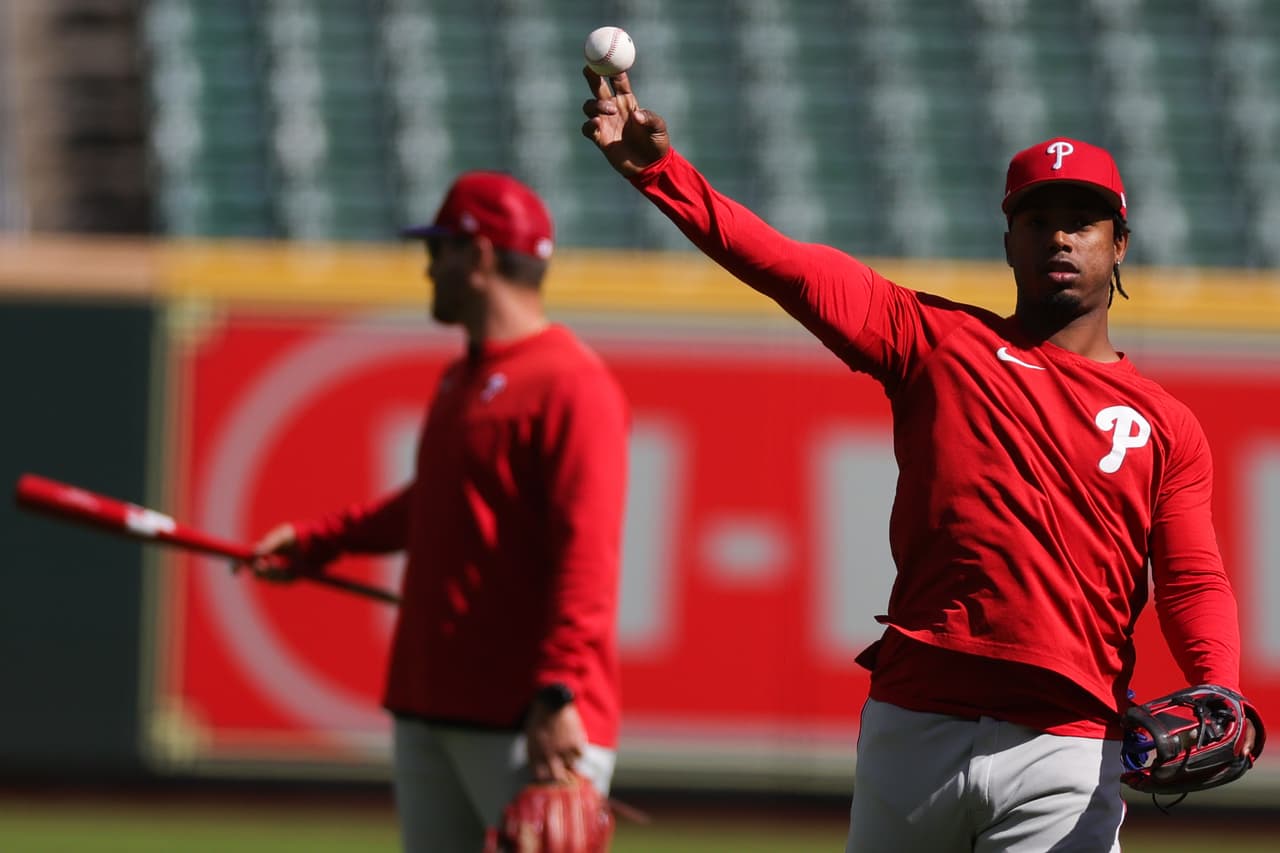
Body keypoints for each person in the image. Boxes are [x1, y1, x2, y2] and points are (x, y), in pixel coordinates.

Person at [580, 69, 1261, 852]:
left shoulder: (1164, 423)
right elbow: (787, 266)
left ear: (1121, 245)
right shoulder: (934, 341)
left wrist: (1218, 686)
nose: (1061, 237)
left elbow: (1190, 575)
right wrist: (663, 174)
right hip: (915, 724)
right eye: (1038, 220)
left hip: (1066, 741)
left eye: (1084, 220)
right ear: (1009, 241)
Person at [244, 170, 630, 851]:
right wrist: (314, 544)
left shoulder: (572, 383)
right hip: (431, 699)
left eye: (440, 249)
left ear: (478, 256)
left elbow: (587, 553)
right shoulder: (463, 375)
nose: (429, 267)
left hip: (525, 714)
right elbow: (434, 502)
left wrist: (559, 690)